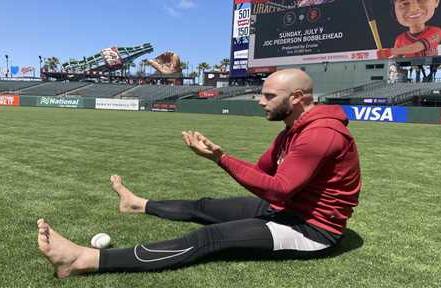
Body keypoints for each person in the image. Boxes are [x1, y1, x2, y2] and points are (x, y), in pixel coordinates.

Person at [37, 69, 362, 278]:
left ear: (296, 98)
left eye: (268, 96)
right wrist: (218, 155)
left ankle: (83, 260)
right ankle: (137, 203)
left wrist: (220, 158)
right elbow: (261, 172)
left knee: (210, 238)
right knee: (204, 207)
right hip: (288, 210)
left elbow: (278, 189)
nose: (259, 101)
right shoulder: (290, 131)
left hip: (312, 230)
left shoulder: (321, 134)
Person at [377, 0, 441, 59]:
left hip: (428, 70)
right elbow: (397, 59)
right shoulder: (400, 39)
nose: (413, 9)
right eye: (405, 3)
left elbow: (418, 46)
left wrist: (390, 51)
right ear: (394, 11)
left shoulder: (436, 31)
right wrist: (385, 60)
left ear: (436, 0)